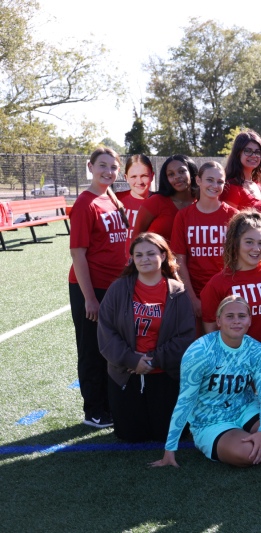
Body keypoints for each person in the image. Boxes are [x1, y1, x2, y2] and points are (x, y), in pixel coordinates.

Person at [150, 296, 261, 468]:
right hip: (210, 420)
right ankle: (247, 442)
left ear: (249, 320)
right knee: (248, 454)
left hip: (246, 409)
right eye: (229, 316)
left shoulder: (256, 350)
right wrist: (169, 450)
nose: (236, 321)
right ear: (218, 321)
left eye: (242, 316)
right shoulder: (199, 352)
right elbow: (185, 401)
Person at [98, 232, 195, 441]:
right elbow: (106, 331)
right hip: (126, 372)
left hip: (164, 373)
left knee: (167, 435)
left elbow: (185, 338)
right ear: (132, 258)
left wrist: (153, 359)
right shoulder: (118, 289)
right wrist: (131, 359)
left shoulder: (177, 292)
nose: (144, 259)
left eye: (151, 254)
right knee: (130, 436)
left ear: (162, 255)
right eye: (138, 255)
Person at [201, 210, 261, 418]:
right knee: (240, 421)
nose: (256, 249)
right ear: (236, 243)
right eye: (249, 242)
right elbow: (211, 330)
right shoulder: (219, 283)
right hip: (236, 364)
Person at [69, 147, 130, 428]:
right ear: (90, 166)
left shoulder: (110, 196)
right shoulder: (85, 203)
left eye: (114, 167)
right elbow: (78, 254)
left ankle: (110, 405)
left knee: (111, 348)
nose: (108, 171)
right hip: (93, 288)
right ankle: (94, 411)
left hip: (115, 287)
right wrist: (90, 298)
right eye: (102, 166)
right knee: (92, 350)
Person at [170, 162, 239, 329]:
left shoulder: (233, 216)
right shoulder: (184, 216)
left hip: (227, 293)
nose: (215, 186)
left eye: (220, 181)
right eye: (210, 180)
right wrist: (192, 298)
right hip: (195, 292)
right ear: (198, 180)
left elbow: (238, 260)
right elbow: (179, 259)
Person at [132, 155, 197, 245]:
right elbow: (136, 237)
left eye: (182, 171)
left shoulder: (202, 203)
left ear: (192, 173)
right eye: (171, 174)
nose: (177, 176)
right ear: (166, 179)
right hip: (155, 258)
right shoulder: (155, 202)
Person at [117, 155, 154, 257]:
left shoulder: (160, 201)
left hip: (148, 264)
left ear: (152, 175)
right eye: (133, 176)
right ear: (126, 178)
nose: (139, 182)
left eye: (144, 176)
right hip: (120, 265)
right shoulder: (116, 199)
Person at [220, 129, 261, 208]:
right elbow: (228, 220)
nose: (254, 155)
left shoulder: (259, 185)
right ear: (238, 153)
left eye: (257, 152)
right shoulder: (231, 187)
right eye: (248, 151)